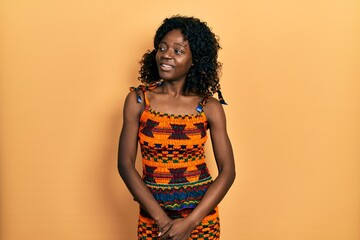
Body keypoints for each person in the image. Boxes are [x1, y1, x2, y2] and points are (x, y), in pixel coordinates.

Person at [118, 15, 235, 240]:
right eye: (162, 47)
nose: (166, 55)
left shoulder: (209, 106)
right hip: (154, 219)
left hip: (201, 220)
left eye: (178, 51)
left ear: (195, 60)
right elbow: (124, 164)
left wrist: (191, 222)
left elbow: (228, 171)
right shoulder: (139, 100)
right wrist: (162, 220)